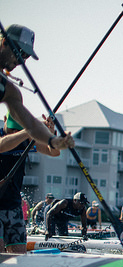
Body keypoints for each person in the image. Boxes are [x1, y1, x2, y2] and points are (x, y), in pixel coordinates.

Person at [0, 25, 74, 154]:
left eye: (26, 57)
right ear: (5, 42)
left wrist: (54, 140)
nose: (21, 61)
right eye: (20, 53)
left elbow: (31, 125)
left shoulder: (9, 91)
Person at [0, 113, 65, 253]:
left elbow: (53, 152)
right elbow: (3, 146)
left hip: (13, 205)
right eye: (12, 129)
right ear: (4, 120)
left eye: (19, 129)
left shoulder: (26, 140)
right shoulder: (5, 138)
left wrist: (51, 135)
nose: (15, 133)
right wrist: (28, 130)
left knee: (19, 252)